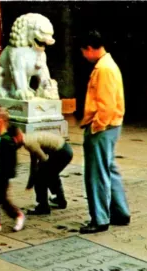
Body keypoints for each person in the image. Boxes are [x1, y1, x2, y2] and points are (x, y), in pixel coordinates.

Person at [78, 30, 130, 234]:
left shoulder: (104, 69)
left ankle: (99, 218)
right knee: (109, 169)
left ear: (90, 48)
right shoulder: (108, 65)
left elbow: (106, 106)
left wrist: (95, 127)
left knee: (96, 174)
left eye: (84, 51)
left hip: (103, 127)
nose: (83, 56)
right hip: (111, 126)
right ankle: (120, 212)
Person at [20, 131, 73, 215]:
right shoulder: (29, 138)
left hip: (62, 152)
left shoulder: (29, 143)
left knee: (41, 177)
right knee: (51, 174)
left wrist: (33, 181)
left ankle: (43, 207)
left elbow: (43, 159)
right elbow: (34, 164)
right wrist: (30, 183)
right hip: (66, 149)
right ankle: (60, 200)